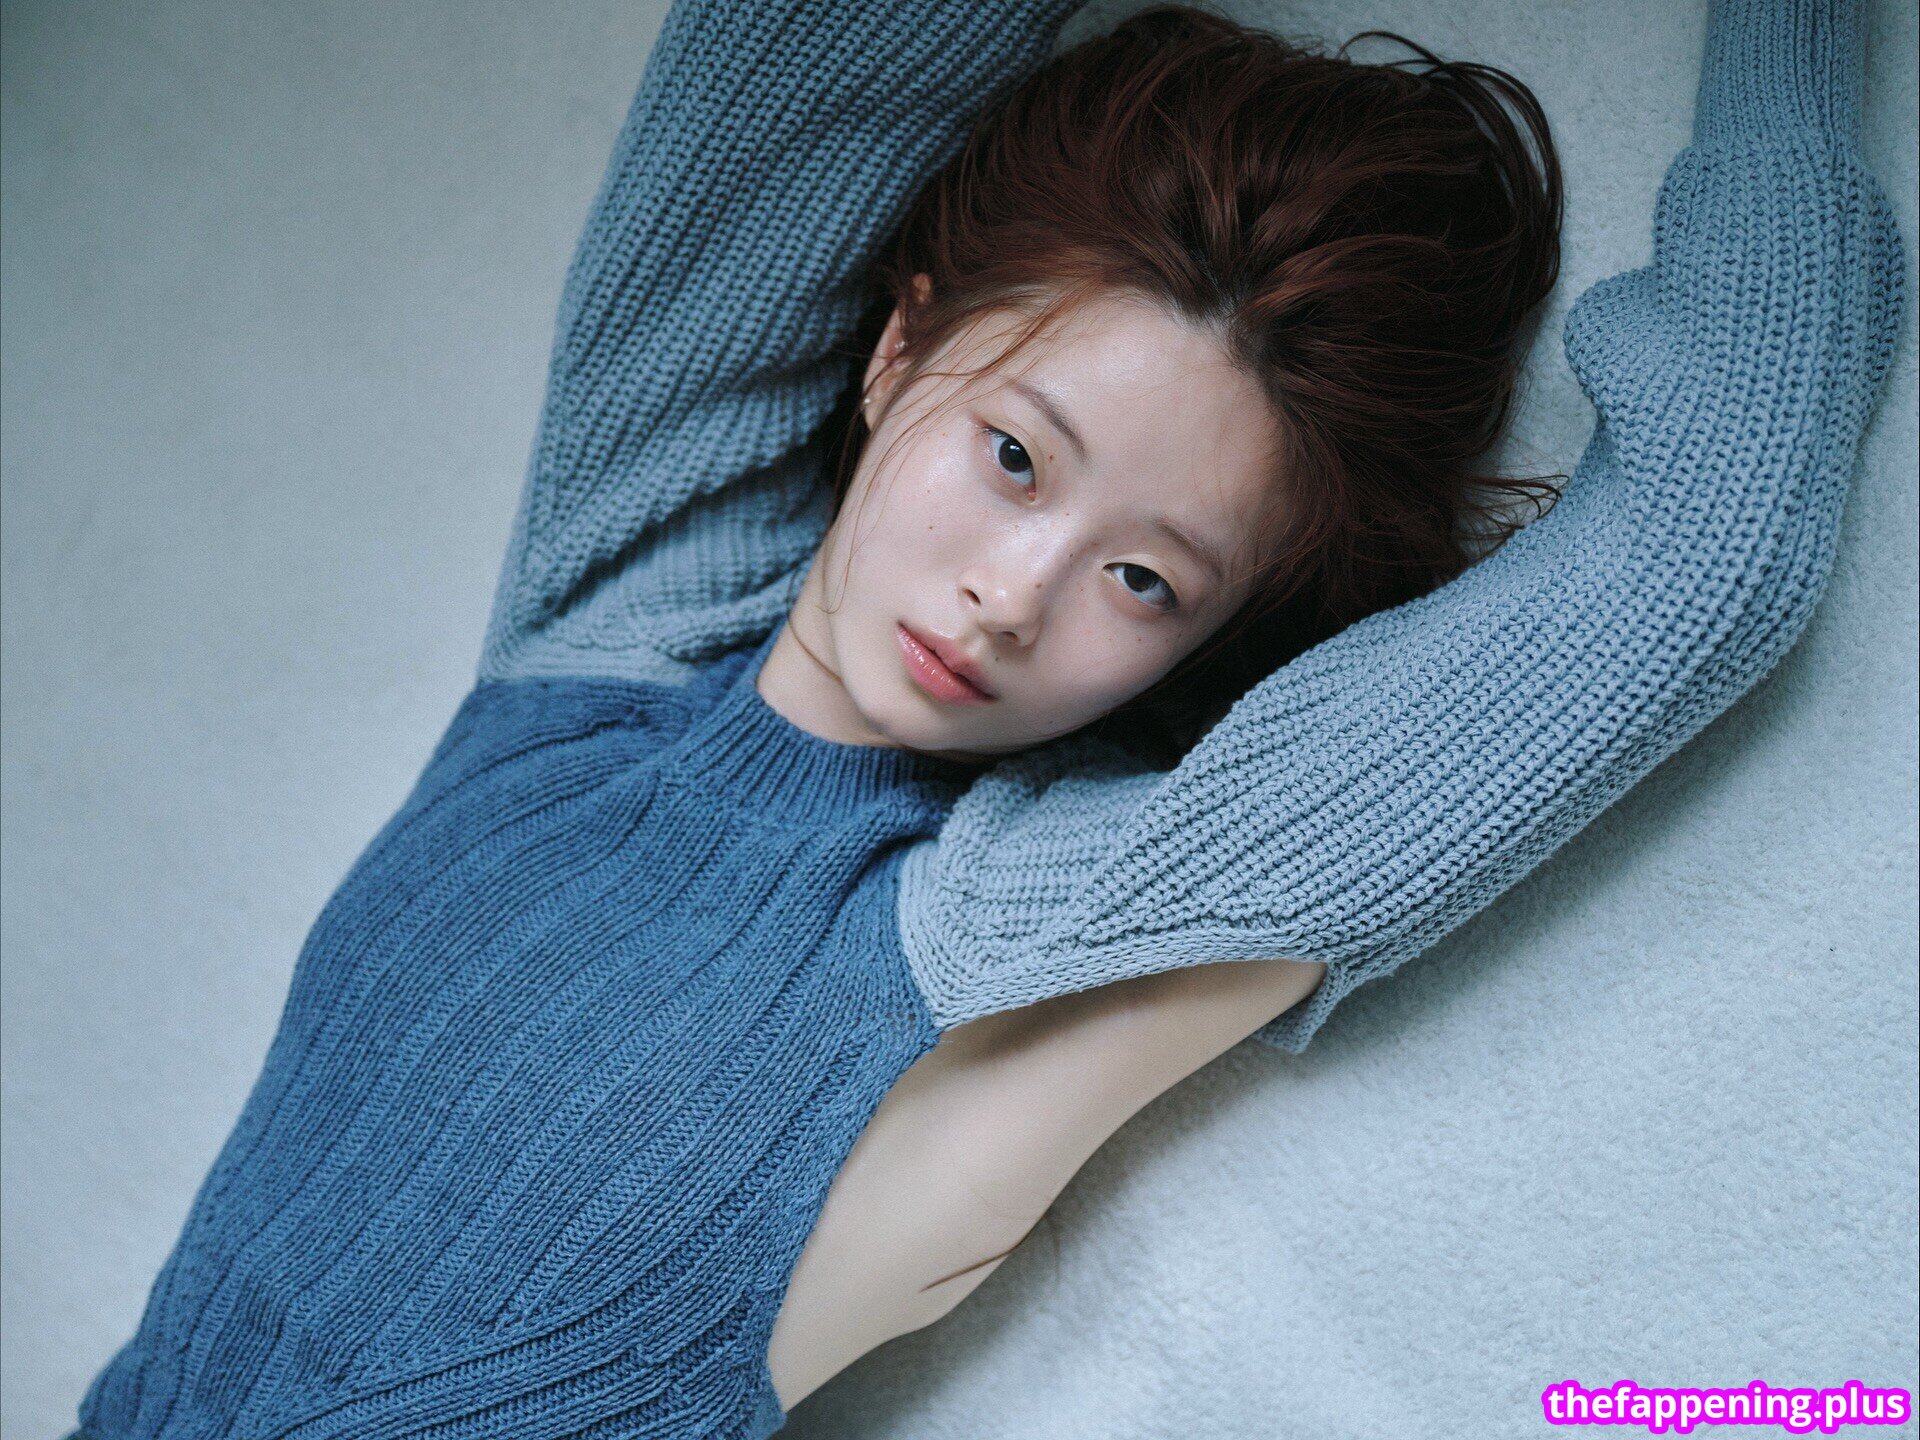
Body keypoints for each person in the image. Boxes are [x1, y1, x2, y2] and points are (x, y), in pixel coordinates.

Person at [69, 0, 1903, 1435]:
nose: (1013, 597)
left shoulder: (999, 926)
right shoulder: (613, 622)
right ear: (898, 349)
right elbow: (801, 64)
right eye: (1015, 457)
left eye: (1146, 580)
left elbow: (1704, 551)